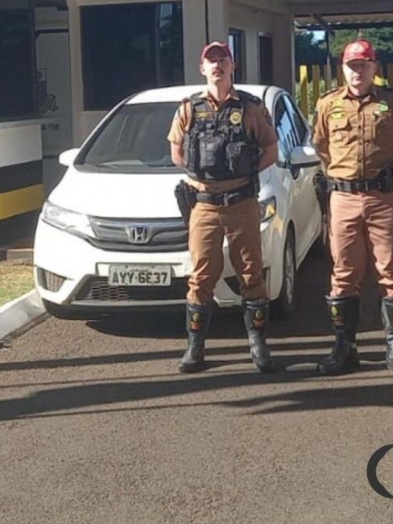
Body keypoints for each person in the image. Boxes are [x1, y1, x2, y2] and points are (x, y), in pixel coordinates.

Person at [167, 41, 278, 374]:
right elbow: (176, 151)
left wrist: (242, 174)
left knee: (251, 273)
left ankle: (258, 345)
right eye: (211, 60)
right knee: (201, 276)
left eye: (223, 59)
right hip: (203, 205)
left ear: (233, 66)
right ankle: (195, 348)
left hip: (241, 201)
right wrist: (201, 175)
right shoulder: (189, 108)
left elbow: (270, 149)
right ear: (202, 68)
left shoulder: (250, 107)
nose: (217, 65)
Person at [312, 39, 393, 379]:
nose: (358, 71)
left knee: (391, 272)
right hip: (343, 198)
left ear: (374, 67)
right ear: (343, 69)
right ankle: (345, 348)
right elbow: (321, 146)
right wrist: (340, 174)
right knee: (343, 274)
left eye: (364, 65)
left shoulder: (392, 103)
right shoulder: (328, 104)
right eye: (352, 65)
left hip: (384, 198)